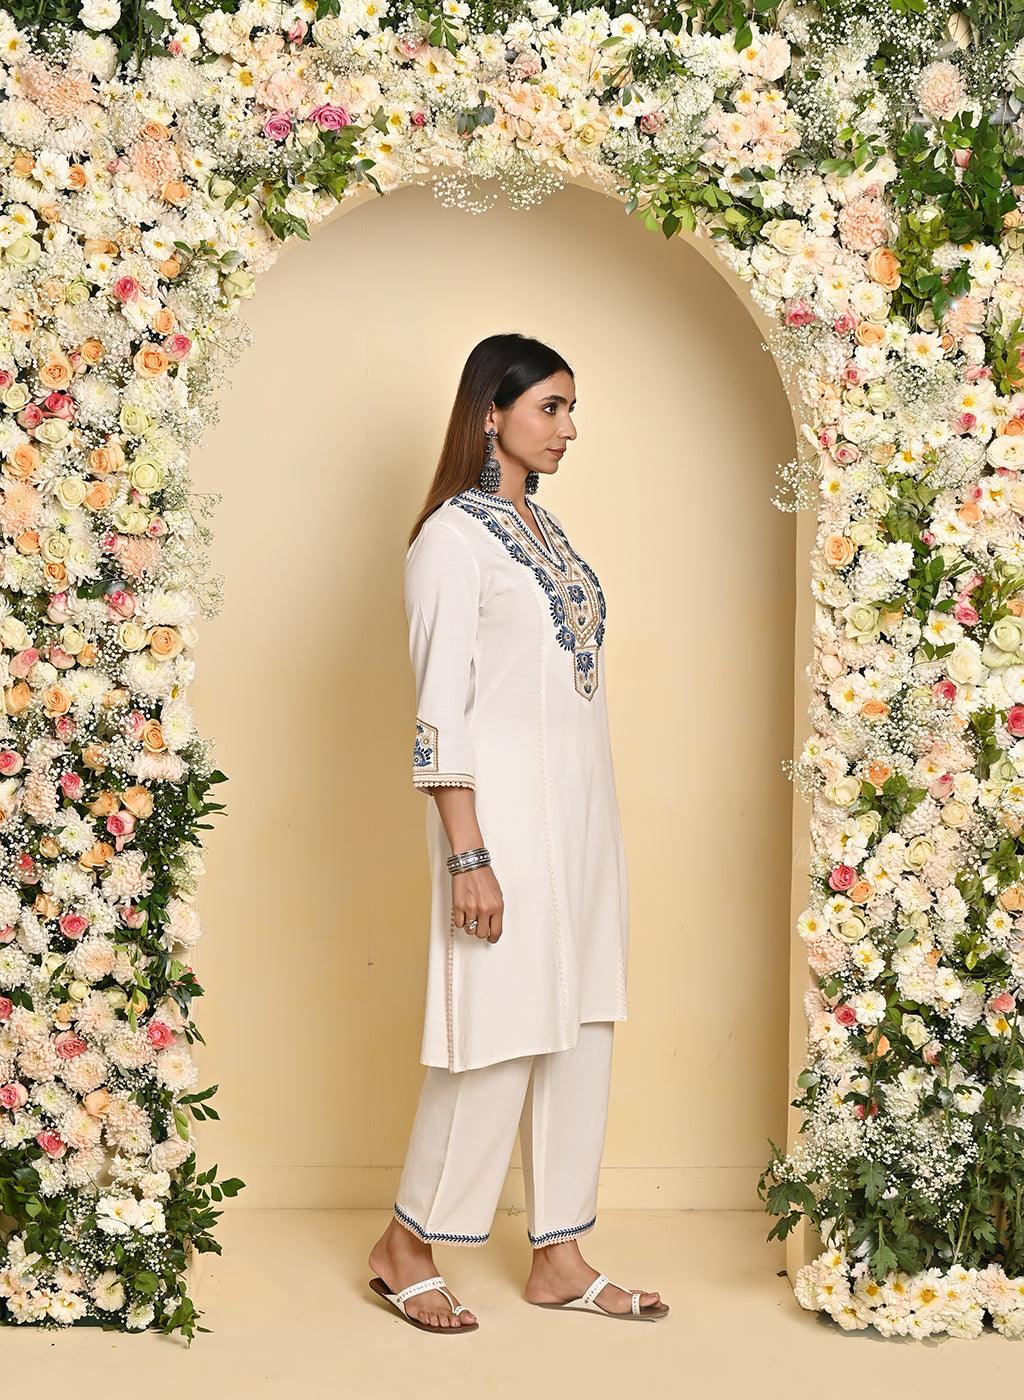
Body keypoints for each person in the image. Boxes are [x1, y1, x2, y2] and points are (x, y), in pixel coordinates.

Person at [367, 333, 668, 1332]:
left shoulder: (548, 531)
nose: (567, 427)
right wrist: (469, 854)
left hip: (581, 817)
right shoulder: (450, 540)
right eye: (550, 407)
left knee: (580, 1024)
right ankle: (406, 1243)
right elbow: (439, 710)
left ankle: (559, 1255)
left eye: (571, 409)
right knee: (493, 1032)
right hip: (494, 823)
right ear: (490, 413)